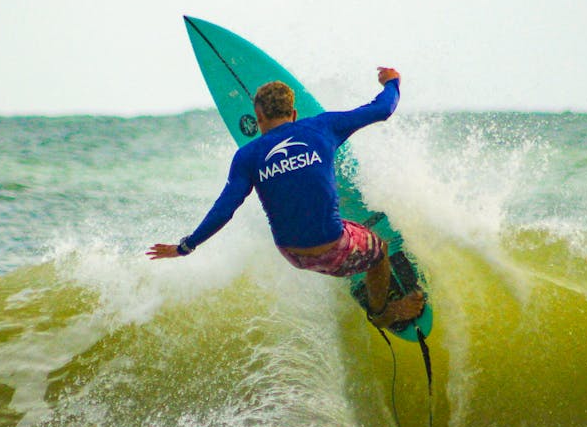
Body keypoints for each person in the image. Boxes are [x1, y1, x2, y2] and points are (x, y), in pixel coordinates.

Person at [147, 67, 425, 329]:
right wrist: (392, 81)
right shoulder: (322, 127)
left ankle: (349, 267)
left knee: (326, 219)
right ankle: (382, 313)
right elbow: (382, 109)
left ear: (258, 118)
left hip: (293, 254)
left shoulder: (247, 156)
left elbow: (224, 210)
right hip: (333, 247)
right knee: (379, 250)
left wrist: (185, 246)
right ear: (293, 113)